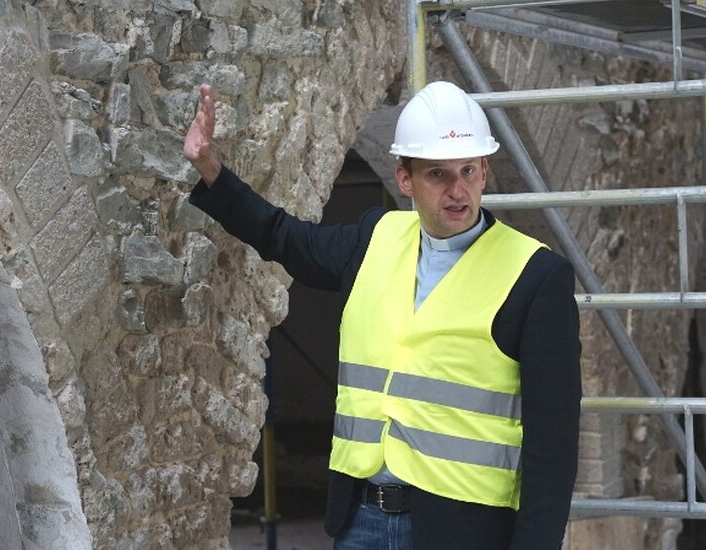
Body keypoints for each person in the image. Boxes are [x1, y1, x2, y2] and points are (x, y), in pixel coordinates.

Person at [184, 80, 581, 550]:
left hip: (464, 532)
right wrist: (211, 168)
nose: (458, 191)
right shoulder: (375, 238)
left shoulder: (536, 276)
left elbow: (552, 446)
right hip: (361, 519)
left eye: (468, 171)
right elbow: (284, 237)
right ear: (405, 179)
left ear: (485, 172)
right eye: (438, 175)